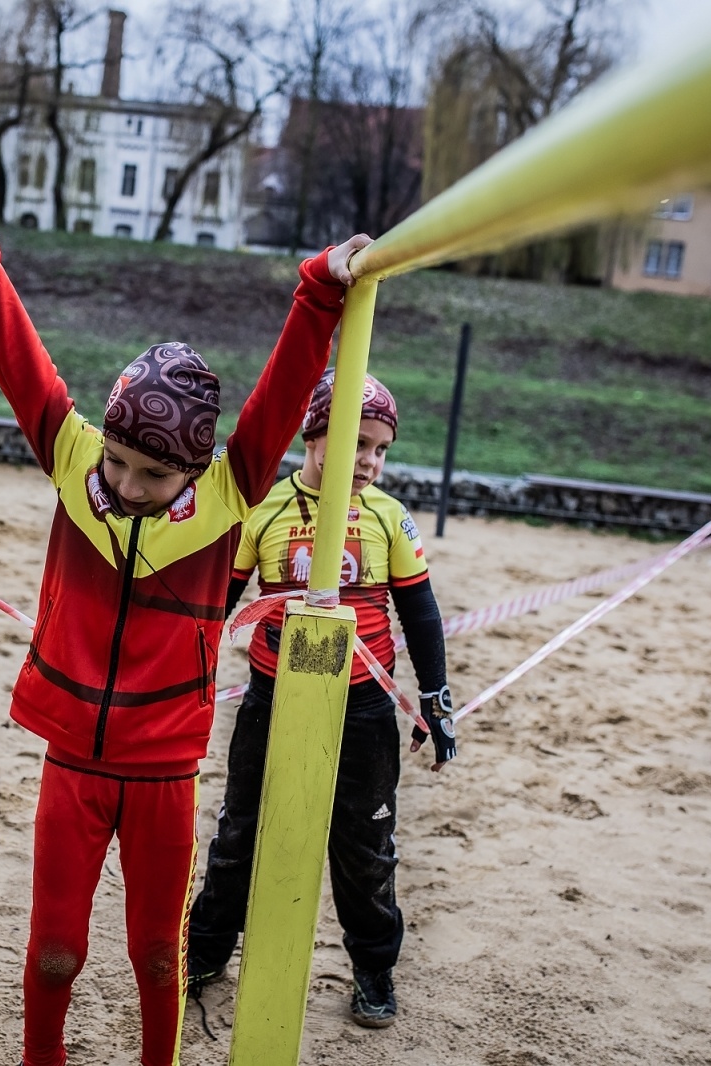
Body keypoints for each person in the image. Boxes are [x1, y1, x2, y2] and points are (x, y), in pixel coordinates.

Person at [0, 179, 372, 1066]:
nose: (126, 485)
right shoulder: (76, 461)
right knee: (54, 951)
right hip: (72, 762)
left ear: (194, 469)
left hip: (163, 770)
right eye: (119, 462)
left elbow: (280, 396)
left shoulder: (230, 493)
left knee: (159, 953)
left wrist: (320, 291)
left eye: (153, 475)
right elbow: (19, 361)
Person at [186, 371, 455, 1030]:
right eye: (356, 442)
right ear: (313, 436)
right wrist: (184, 679)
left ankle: (374, 970)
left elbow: (421, 613)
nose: (369, 460)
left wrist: (435, 699)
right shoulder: (265, 510)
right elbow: (216, 606)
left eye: (380, 449)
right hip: (271, 699)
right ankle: (206, 951)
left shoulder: (389, 517)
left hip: (365, 708)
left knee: (366, 848)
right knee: (239, 833)